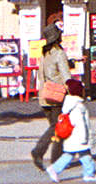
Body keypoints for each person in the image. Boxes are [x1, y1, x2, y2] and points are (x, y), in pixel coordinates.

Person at [45, 78, 96, 182]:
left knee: (69, 155)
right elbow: (81, 124)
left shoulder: (69, 103)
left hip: (72, 137)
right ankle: (88, 174)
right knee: (86, 156)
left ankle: (54, 169)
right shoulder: (78, 106)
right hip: (79, 137)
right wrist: (84, 138)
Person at [31, 22, 71, 171]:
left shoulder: (44, 53)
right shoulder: (59, 53)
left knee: (56, 128)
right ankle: (39, 151)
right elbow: (66, 77)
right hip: (57, 96)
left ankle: (57, 158)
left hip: (44, 95)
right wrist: (74, 91)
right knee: (58, 127)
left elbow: (46, 73)